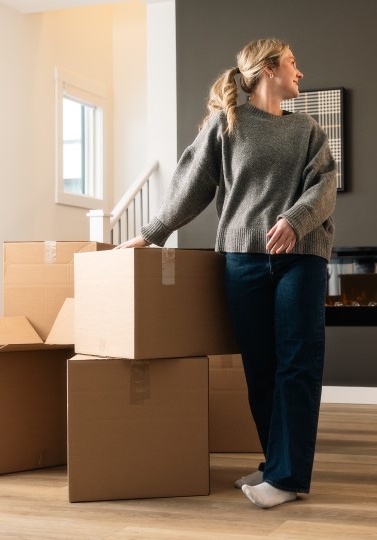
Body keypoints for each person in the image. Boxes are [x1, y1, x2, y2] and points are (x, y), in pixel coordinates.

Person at [117, 38, 337, 507]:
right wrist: (153, 232)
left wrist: (294, 221)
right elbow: (192, 185)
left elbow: (325, 187)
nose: (300, 72)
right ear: (269, 69)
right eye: (293, 63)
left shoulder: (309, 131)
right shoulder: (227, 124)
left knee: (297, 364)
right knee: (260, 369)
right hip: (242, 257)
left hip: (302, 256)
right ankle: (275, 461)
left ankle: (287, 477)